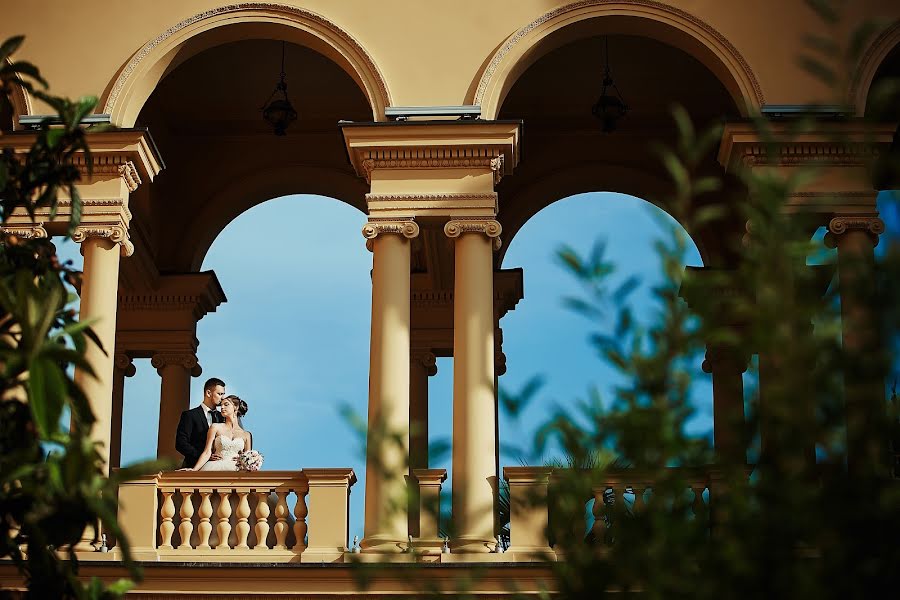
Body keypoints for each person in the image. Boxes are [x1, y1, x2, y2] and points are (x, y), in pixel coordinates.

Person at [187, 395, 252, 472]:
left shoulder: (246, 435)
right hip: (215, 468)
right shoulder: (215, 427)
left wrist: (242, 459)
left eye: (226, 404)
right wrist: (194, 470)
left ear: (236, 407)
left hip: (236, 470)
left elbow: (248, 460)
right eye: (221, 405)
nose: (222, 407)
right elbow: (207, 452)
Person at [175, 377, 226, 469]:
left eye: (223, 394)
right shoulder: (190, 415)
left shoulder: (223, 417)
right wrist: (203, 456)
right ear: (208, 393)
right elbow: (181, 443)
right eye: (219, 394)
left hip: (220, 468)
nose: (222, 398)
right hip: (194, 466)